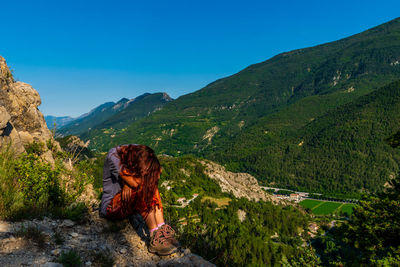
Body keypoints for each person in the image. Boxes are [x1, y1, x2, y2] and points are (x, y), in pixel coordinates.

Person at [100, 144, 179, 255]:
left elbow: (139, 177)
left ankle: (161, 229)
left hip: (126, 201)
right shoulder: (114, 157)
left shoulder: (138, 152)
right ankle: (154, 236)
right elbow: (135, 183)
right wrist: (127, 182)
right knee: (142, 187)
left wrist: (129, 182)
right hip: (110, 207)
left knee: (151, 183)